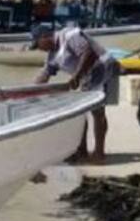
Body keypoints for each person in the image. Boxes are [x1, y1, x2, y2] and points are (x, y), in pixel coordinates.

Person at [31, 23, 121, 163]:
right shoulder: (52, 56)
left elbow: (89, 53)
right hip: (86, 76)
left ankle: (99, 153)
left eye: (38, 45)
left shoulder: (69, 35)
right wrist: (30, 92)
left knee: (97, 112)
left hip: (103, 68)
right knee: (80, 114)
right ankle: (81, 151)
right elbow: (44, 74)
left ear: (45, 37)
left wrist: (77, 76)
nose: (39, 49)